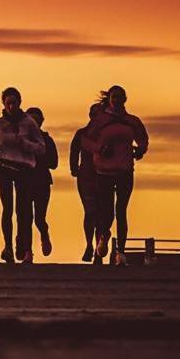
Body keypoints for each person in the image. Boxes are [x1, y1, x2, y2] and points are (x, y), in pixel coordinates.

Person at [80, 85, 149, 265]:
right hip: (103, 171)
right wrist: (100, 149)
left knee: (122, 211)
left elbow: (143, 138)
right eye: (114, 97)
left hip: (125, 170)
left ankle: (120, 252)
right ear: (109, 99)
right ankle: (103, 235)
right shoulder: (100, 121)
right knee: (107, 210)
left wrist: (140, 150)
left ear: (125, 99)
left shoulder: (131, 121)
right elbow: (85, 141)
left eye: (120, 97)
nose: (117, 100)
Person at [0, 86, 45, 263]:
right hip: (4, 167)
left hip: (24, 169)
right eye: (8, 103)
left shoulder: (29, 123)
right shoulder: (0, 123)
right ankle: (7, 246)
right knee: (7, 208)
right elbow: (4, 139)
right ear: (3, 104)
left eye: (14, 103)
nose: (11, 106)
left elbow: (41, 148)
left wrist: (24, 143)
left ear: (19, 103)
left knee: (23, 210)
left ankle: (23, 246)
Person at [69, 103, 104, 261]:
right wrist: (74, 168)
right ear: (90, 116)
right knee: (90, 212)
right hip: (86, 176)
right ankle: (90, 244)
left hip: (104, 175)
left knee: (102, 214)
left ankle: (99, 247)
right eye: (95, 114)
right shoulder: (82, 133)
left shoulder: (105, 134)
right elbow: (73, 151)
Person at [24, 107, 58, 257]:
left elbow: (54, 163)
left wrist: (39, 154)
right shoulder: (21, 138)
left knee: (39, 218)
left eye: (37, 121)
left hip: (42, 182)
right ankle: (27, 252)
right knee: (25, 218)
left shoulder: (47, 140)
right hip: (24, 182)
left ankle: (44, 234)